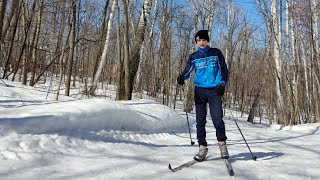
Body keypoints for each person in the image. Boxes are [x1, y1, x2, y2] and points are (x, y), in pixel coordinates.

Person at [177, 30, 229, 161]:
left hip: (215, 91)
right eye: (199, 40)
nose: (201, 42)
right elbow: (188, 70)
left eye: (204, 40)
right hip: (200, 91)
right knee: (200, 121)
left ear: (207, 41)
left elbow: (223, 69)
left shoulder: (216, 53)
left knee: (217, 119)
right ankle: (202, 148)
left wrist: (222, 84)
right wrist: (182, 77)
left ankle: (222, 144)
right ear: (196, 42)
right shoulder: (194, 56)